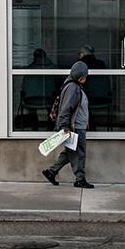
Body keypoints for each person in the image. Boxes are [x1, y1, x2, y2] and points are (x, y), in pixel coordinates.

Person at [41, 60, 93, 188]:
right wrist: (65, 127)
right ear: (80, 76)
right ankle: (80, 179)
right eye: (84, 76)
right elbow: (65, 109)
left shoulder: (73, 86)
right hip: (75, 127)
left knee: (69, 152)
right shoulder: (72, 88)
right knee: (79, 153)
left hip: (76, 126)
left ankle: (51, 172)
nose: (86, 78)